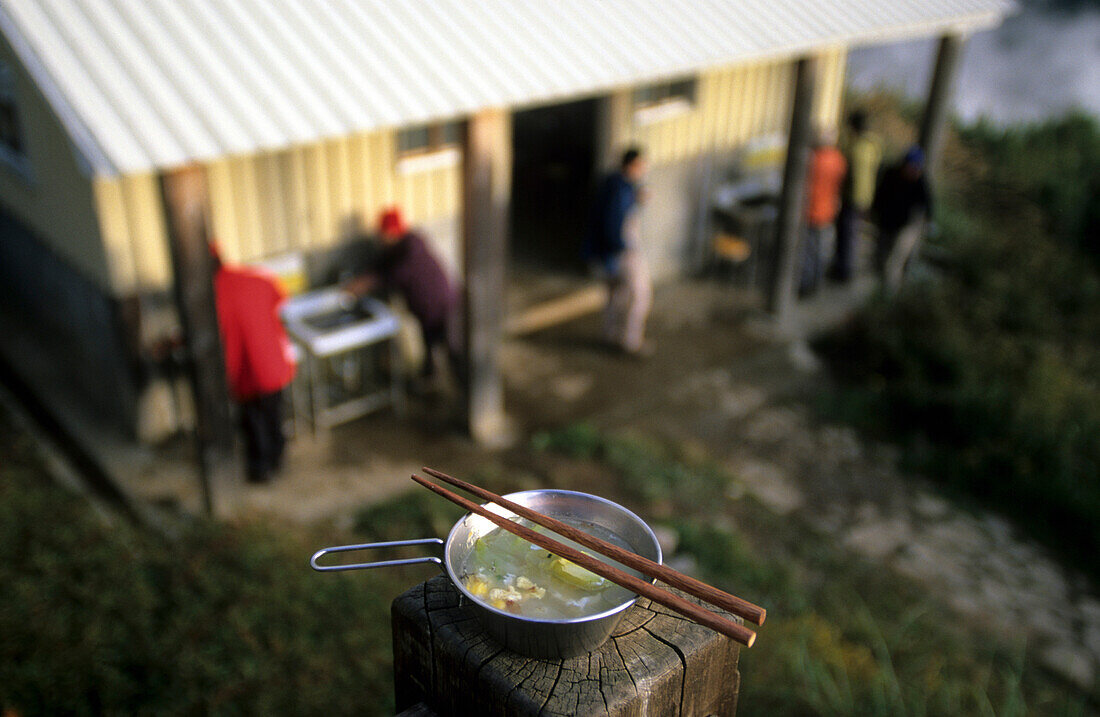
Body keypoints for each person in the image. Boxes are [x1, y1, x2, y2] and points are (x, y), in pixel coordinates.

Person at [345, 207, 461, 384]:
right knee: (429, 347)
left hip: (442, 306)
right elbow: (381, 265)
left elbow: (394, 274)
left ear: (392, 232)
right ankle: (429, 379)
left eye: (382, 234)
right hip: (426, 310)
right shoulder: (396, 248)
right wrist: (363, 277)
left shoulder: (412, 249)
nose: (380, 238)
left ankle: (465, 393)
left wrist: (366, 283)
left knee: (452, 351)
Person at [212, 245, 297, 484]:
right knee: (273, 414)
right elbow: (281, 300)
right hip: (272, 363)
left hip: (243, 368)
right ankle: (278, 460)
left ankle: (261, 470)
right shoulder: (255, 276)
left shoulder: (209, 295)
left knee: (252, 420)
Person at [583, 147, 653, 357]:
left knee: (615, 295)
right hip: (622, 251)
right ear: (631, 166)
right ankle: (630, 342)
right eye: (641, 165)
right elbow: (615, 225)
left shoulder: (614, 183)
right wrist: (620, 250)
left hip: (609, 252)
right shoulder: (621, 191)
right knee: (639, 295)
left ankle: (610, 335)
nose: (643, 170)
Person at [830, 109, 882, 282]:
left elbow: (846, 173)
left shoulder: (854, 147)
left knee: (846, 234)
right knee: (852, 234)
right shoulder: (873, 145)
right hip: (866, 196)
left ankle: (843, 271)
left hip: (852, 197)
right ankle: (844, 268)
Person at [871, 145, 932, 292]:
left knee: (895, 260)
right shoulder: (891, 173)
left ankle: (889, 292)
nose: (913, 171)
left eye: (916, 168)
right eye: (911, 167)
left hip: (906, 226)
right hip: (886, 221)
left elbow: (928, 203)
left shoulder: (920, 181)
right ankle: (879, 285)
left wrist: (929, 221)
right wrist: (874, 211)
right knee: (880, 255)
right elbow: (879, 194)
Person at [800, 128, 847, 296]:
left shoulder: (813, 158)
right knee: (820, 251)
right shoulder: (839, 160)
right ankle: (816, 284)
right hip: (828, 211)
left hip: (811, 211)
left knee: (807, 252)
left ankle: (805, 286)